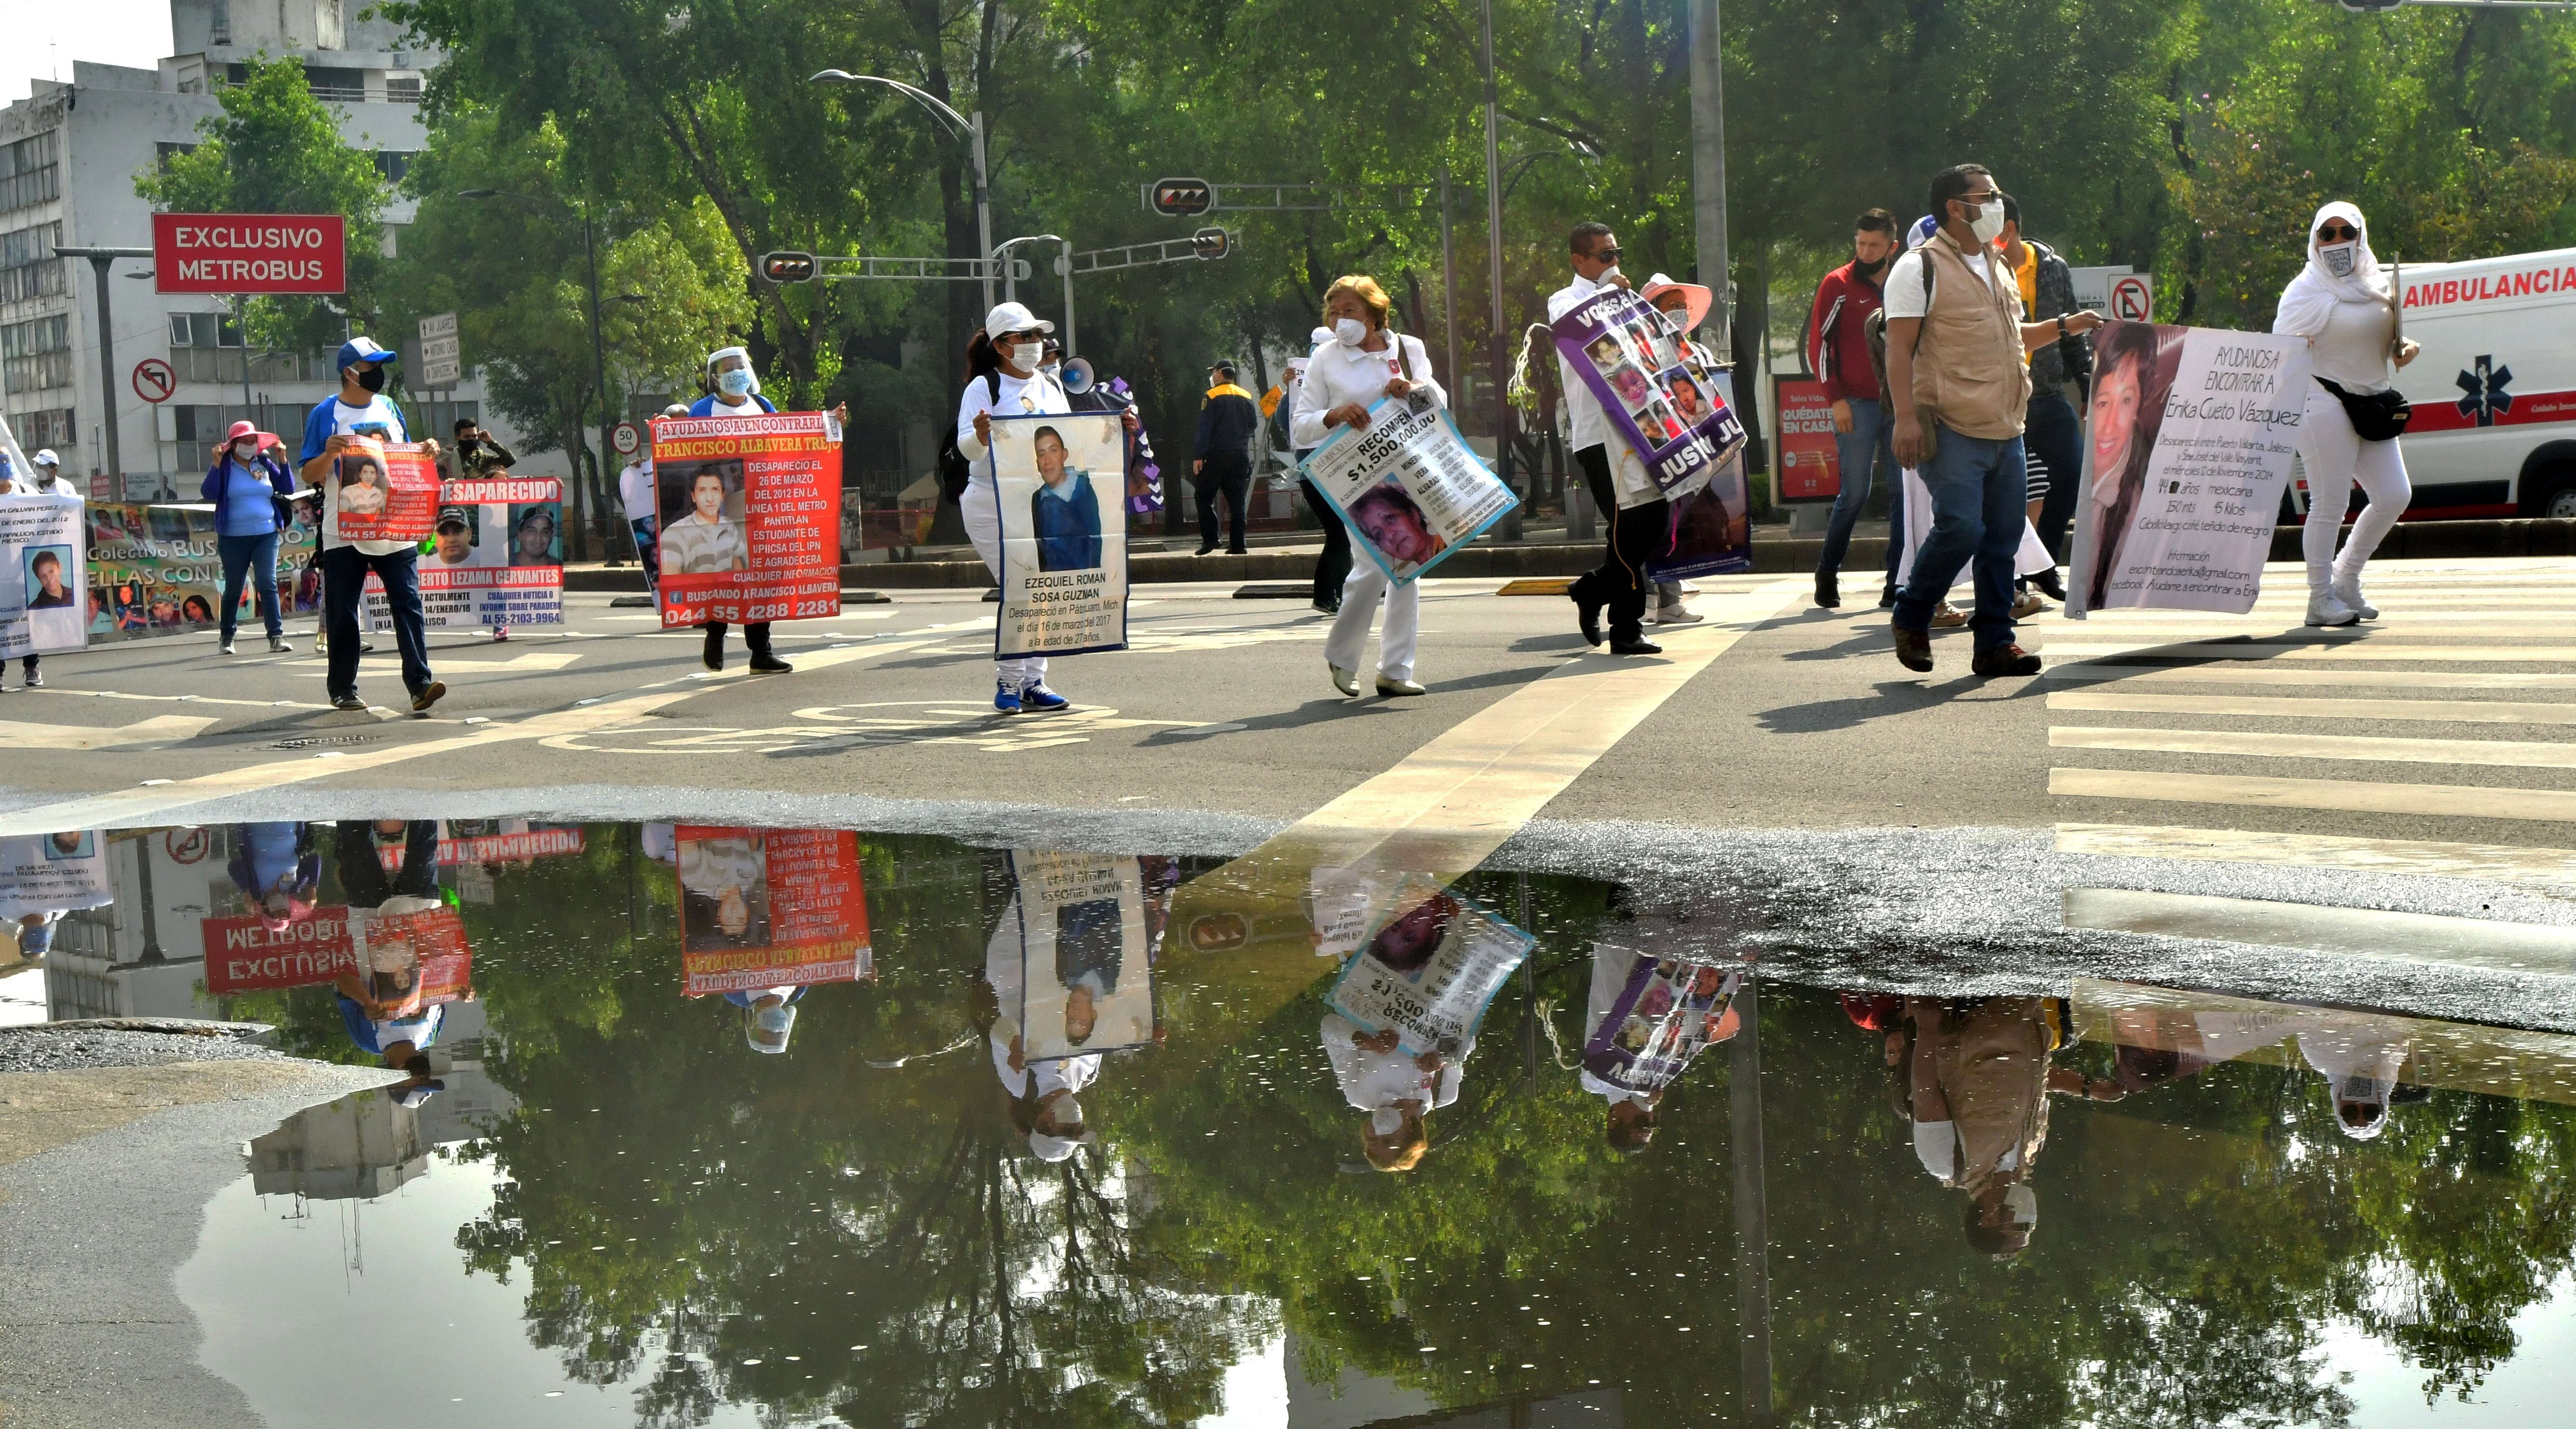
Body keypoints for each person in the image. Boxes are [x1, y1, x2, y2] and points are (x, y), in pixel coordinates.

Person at [1883, 165, 2102, 677]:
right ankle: (1913, 613)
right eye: (1988, 196)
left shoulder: (1996, 264)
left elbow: (2014, 339)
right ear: (1956, 208)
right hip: (1953, 423)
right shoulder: (1917, 269)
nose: (1998, 204)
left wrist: (2067, 326)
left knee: (2003, 538)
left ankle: (1995, 645)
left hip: (2008, 424)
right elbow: (1899, 349)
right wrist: (1905, 420)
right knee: (1961, 526)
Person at [957, 302, 1138, 714]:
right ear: (1001, 345)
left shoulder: (1050, 386)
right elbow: (967, 449)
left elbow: (1070, 443)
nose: (1035, 344)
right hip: (991, 503)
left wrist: (1116, 430)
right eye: (1025, 337)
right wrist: (981, 435)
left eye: (1037, 336)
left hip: (1036, 504)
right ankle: (1010, 681)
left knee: (1039, 590)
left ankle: (1033, 683)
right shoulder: (982, 388)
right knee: (1020, 587)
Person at [1289, 275, 1447, 698]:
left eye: (1350, 311)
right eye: (1334, 312)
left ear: (1376, 314)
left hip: (1409, 467)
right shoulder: (1325, 357)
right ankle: (1342, 654)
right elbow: (1301, 427)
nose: (1341, 320)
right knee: (1375, 564)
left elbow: (1438, 404)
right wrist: (1335, 414)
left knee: (1410, 564)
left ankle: (1395, 669)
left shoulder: (1409, 349)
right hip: (1354, 476)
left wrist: (1411, 389)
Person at [2275, 200, 2419, 627]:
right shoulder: (2303, 290)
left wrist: (2405, 346)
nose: (2337, 241)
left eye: (2346, 232)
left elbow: (2383, 334)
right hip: (2320, 400)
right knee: (2329, 503)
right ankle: (2319, 598)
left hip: (2372, 400)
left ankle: (2346, 577)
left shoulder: (2377, 284)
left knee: (2394, 495)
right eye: (2327, 234)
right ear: (2314, 242)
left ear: (2361, 237)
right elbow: (2278, 348)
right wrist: (2298, 345)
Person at [1899, 996, 2120, 1257]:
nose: (2031, 1219)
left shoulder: (1946, 1163)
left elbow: (1925, 1092)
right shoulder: (2027, 1155)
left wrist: (1926, 1028)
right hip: (2025, 1005)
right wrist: (2087, 1089)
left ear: (1990, 1220)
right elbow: (2034, 1081)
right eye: (2031, 1226)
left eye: (2022, 1225)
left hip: (1969, 1009)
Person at [299, 337, 444, 713]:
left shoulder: (391, 406)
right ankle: (343, 688)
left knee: (408, 604)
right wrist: (328, 453)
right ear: (349, 372)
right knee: (344, 611)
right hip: (344, 528)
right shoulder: (326, 412)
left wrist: (427, 449)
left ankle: (420, 684)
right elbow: (308, 473)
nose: (378, 373)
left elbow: (408, 457)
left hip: (394, 526)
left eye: (380, 365)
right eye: (370, 367)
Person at [1552, 223, 1672, 657]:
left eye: (1616, 253)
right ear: (1579, 261)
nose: (1613, 262)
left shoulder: (1621, 296)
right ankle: (1626, 626)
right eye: (1604, 255)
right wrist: (1609, 295)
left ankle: (1592, 588)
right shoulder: (1564, 300)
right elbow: (1579, 334)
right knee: (1626, 525)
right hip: (1597, 433)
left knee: (1652, 520)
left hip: (1639, 425)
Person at [687, 347, 821, 675]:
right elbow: (683, 454)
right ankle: (715, 635)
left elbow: (787, 445)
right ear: (715, 377)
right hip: (721, 508)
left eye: (739, 365)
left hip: (763, 506)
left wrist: (828, 423)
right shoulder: (702, 411)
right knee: (724, 574)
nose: (735, 372)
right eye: (727, 367)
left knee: (760, 578)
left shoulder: (763, 407)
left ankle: (761, 652)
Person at [1807, 211, 1907, 610]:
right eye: (1861, 243)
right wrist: (1834, 399)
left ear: (1892, 248)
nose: (1866, 251)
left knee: (1904, 495)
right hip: (1856, 403)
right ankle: (1827, 570)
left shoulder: (1907, 282)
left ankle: (1896, 581)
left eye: (1874, 245)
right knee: (1854, 493)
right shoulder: (1838, 283)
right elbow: (1820, 345)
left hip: (1902, 405)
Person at [1997, 196, 2088, 604]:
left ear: (2009, 230)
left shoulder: (2052, 268)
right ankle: (2013, 577)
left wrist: (2087, 385)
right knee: (2012, 490)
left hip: (2048, 394)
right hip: (2003, 398)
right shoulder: (1980, 270)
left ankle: (2044, 565)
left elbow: (2069, 329)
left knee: (2069, 473)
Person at [328, 819, 450, 1106]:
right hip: (419, 917)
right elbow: (438, 986)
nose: (422, 1077)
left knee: (354, 841)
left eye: (416, 1084)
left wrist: (369, 1005)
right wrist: (461, 992)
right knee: (425, 841)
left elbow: (342, 982)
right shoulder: (431, 1033)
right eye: (426, 1082)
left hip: (370, 921)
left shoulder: (368, 1040)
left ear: (396, 1080)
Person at [2076, 322, 2178, 610]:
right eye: (2104, 402)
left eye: (2127, 400)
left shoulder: (2135, 513)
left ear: (2139, 408)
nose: (2110, 425)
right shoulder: (2071, 477)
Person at [1638, 274, 1717, 627]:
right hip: (1658, 449)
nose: (1680, 314)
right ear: (1653, 311)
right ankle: (1659, 598)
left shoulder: (1694, 350)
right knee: (1654, 523)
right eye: (1672, 307)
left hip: (1691, 452)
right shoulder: (1642, 351)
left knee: (1669, 523)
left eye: (1682, 308)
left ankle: (1662, 594)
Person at [199, 422, 296, 656]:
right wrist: (214, 464)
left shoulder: (263, 462)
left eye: (253, 441)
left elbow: (288, 488)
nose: (249, 445)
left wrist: (283, 459)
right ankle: (227, 637)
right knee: (234, 587)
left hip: (266, 534)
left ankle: (276, 636)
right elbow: (209, 493)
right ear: (233, 444)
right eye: (244, 441)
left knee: (268, 583)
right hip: (233, 538)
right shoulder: (224, 466)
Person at [1285, 329, 1351, 615]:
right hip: (1320, 466)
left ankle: (1325, 596)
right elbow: (1286, 421)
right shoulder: (1310, 379)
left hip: (1328, 464)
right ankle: (1344, 598)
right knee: (1339, 533)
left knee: (1337, 534)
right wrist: (1288, 390)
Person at [449, 418, 519, 641]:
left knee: (492, 576)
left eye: (474, 436)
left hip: (487, 522)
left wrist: (490, 442)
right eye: (467, 437)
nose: (471, 440)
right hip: (461, 522)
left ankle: (499, 623)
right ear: (458, 437)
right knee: (459, 577)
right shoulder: (450, 457)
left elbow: (509, 460)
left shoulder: (485, 459)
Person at [619, 404, 688, 593]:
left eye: (684, 427)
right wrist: (637, 471)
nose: (678, 433)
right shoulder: (651, 466)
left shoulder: (697, 462)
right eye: (674, 427)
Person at [1191, 360, 1259, 555]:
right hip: (1240, 455)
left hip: (1218, 454)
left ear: (1220, 373)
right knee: (1237, 500)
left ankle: (1211, 540)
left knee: (1203, 496)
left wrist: (1199, 455)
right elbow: (1253, 424)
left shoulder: (1212, 395)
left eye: (1213, 372)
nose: (1212, 376)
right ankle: (1239, 544)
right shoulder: (1246, 395)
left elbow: (1205, 428)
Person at [1028, 425, 1104, 571]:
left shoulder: (1082, 490)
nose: (1047, 461)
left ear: (1064, 455)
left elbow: (1093, 542)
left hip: (1082, 584)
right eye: (1041, 454)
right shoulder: (1038, 498)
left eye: (1053, 451)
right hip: (1054, 587)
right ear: (1037, 464)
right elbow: (1041, 549)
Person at [728, 984, 806, 1054]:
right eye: (780, 1034)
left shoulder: (737, 995)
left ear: (755, 1023)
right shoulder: (796, 993)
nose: (776, 1029)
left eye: (768, 1032)